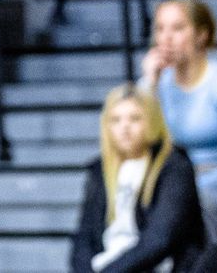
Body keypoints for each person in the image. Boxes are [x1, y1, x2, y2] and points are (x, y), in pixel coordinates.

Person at [71, 84, 206, 272]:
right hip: (107, 264)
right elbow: (84, 237)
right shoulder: (99, 170)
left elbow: (160, 239)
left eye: (134, 119)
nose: (124, 127)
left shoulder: (174, 166)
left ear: (151, 121)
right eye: (116, 120)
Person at [142, 0, 217, 244]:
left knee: (193, 201)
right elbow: (138, 141)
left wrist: (192, 184)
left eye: (177, 28)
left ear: (201, 35)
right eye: (160, 28)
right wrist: (148, 83)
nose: (166, 38)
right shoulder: (161, 82)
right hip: (178, 180)